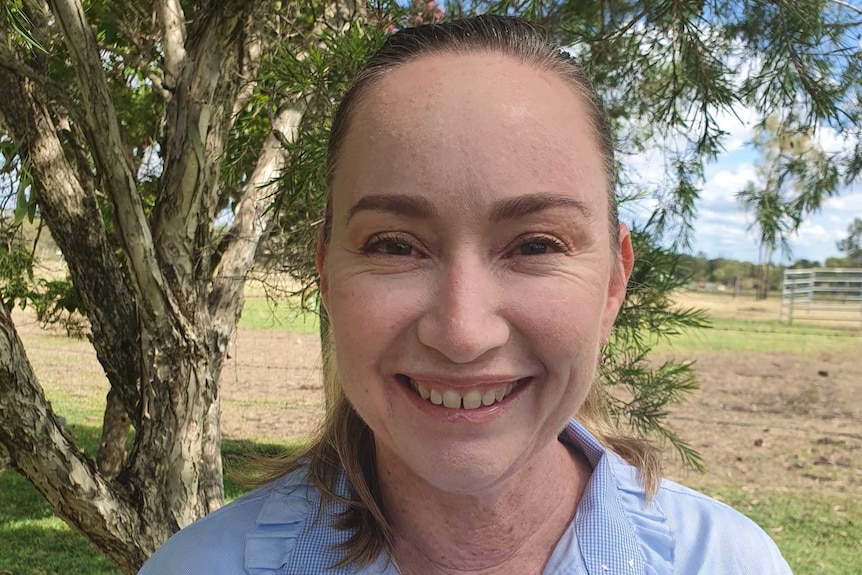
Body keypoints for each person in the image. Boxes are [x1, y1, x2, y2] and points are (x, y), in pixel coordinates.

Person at [139, 15, 793, 575]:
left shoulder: (729, 561)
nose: (461, 331)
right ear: (327, 277)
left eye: (535, 244)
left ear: (614, 281)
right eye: (395, 245)